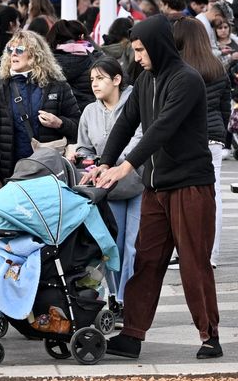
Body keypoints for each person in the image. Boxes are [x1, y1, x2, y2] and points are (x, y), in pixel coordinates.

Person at [89, 15, 219, 361]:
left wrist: (124, 167)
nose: (138, 57)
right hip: (156, 188)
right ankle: (131, 334)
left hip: (191, 185)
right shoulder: (145, 80)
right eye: (135, 50)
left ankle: (210, 336)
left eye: (141, 50)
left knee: (194, 262)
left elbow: (161, 129)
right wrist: (104, 161)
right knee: (146, 261)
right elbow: (126, 122)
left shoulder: (187, 80)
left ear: (158, 46)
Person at [70, 56, 142, 303]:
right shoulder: (90, 111)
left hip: (138, 182)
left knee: (135, 246)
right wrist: (87, 160)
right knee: (113, 246)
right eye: (92, 79)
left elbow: (139, 140)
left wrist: (110, 162)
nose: (95, 84)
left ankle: (129, 299)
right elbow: (84, 148)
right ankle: (115, 297)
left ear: (117, 79)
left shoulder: (135, 102)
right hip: (106, 188)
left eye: (100, 78)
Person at [0, 31, 79, 191]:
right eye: (9, 49)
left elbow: (78, 127)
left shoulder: (58, 87)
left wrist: (59, 123)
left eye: (19, 49)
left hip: (49, 174)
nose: (13, 54)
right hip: (12, 175)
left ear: (34, 55)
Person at [173, 17, 230, 267]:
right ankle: (211, 254)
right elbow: (225, 107)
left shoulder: (176, 68)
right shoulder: (217, 66)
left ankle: (183, 252)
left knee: (180, 197)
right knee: (213, 195)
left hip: (183, 138)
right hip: (213, 138)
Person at [48, 19, 96, 107]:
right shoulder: (95, 57)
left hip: (61, 115)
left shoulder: (46, 63)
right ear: (81, 37)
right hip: (91, 112)